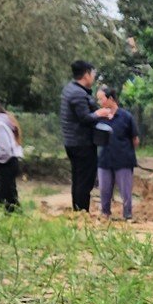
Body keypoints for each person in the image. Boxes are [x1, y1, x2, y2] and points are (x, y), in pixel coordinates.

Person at [58, 60, 112, 212]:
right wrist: (99, 113)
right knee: (84, 181)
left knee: (78, 179)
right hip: (81, 144)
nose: (94, 77)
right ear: (86, 75)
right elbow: (85, 118)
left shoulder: (70, 89)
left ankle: (78, 211)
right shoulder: (77, 93)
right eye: (93, 73)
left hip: (72, 143)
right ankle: (82, 212)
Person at [93, 86, 140, 220]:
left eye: (101, 99)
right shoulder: (99, 117)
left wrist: (126, 151)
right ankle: (105, 213)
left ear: (110, 99)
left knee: (125, 191)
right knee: (104, 189)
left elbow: (135, 139)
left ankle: (127, 215)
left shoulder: (126, 117)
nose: (99, 102)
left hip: (123, 160)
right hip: (104, 160)